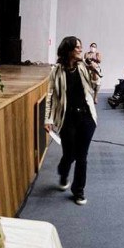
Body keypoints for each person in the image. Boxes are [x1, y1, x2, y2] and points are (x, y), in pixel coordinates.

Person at [44, 36, 100, 205]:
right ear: (68, 50)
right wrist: (48, 118)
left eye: (80, 47)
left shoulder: (83, 66)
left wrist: (93, 71)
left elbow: (94, 85)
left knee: (82, 156)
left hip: (86, 116)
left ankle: (78, 191)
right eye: (77, 47)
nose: (80, 50)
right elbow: (50, 96)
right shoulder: (57, 70)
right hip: (67, 118)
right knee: (70, 154)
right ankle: (63, 171)